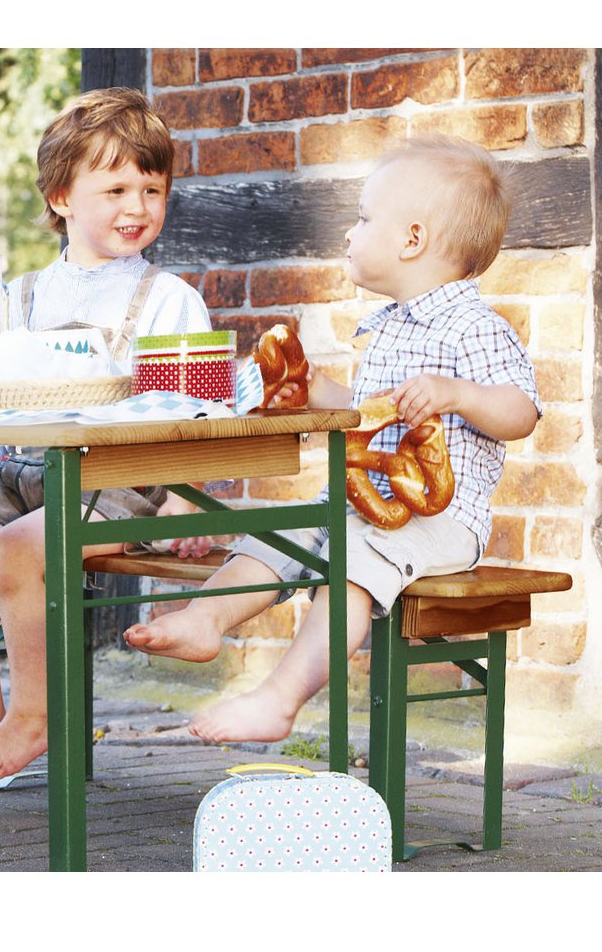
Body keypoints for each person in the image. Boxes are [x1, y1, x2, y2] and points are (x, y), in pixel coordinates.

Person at [125, 133, 541, 744]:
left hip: (440, 521)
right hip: (354, 506)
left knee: (351, 561)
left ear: (413, 240)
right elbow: (370, 415)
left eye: (364, 218)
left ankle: (280, 698)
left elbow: (521, 411)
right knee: (279, 533)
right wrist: (317, 390)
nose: (349, 233)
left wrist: (457, 394)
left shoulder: (475, 327)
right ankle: (207, 617)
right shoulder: (391, 327)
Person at [0, 87, 213, 797]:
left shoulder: (168, 299)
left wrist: (189, 499)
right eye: (115, 190)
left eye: (152, 189)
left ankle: (34, 716)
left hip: (117, 479)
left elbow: (200, 411)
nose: (137, 207)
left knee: (16, 550)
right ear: (60, 198)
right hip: (19, 474)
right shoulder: (19, 297)